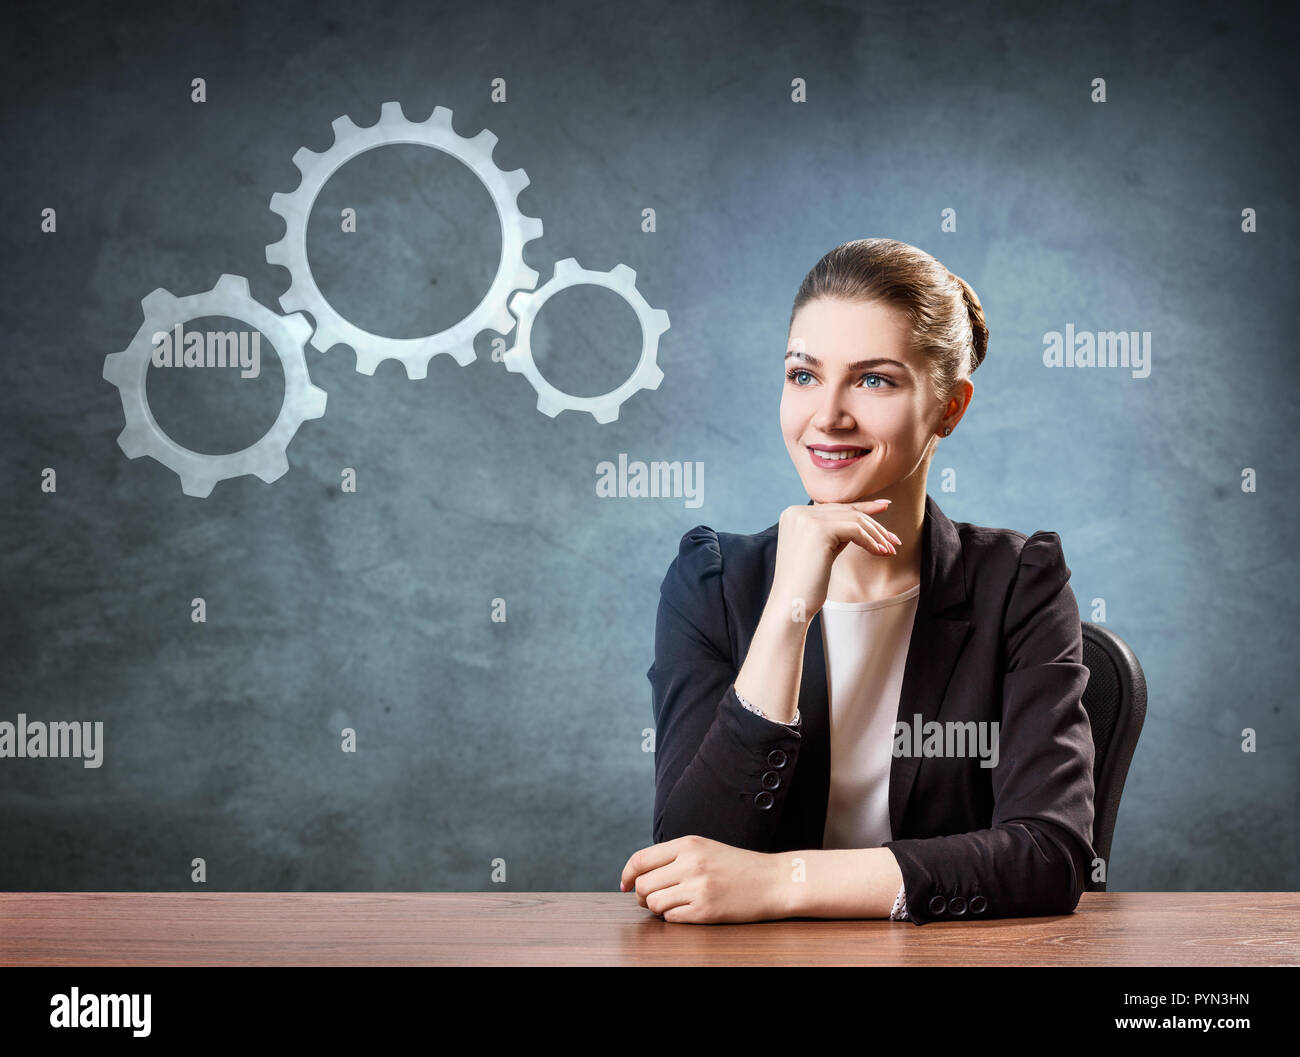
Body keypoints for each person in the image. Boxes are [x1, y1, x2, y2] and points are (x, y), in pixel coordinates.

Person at [620, 237, 1096, 925]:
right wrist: (790, 607)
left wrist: (784, 881)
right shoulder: (712, 581)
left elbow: (1047, 855)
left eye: (874, 379)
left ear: (950, 408)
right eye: (804, 375)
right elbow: (688, 861)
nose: (828, 415)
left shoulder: (1019, 584)